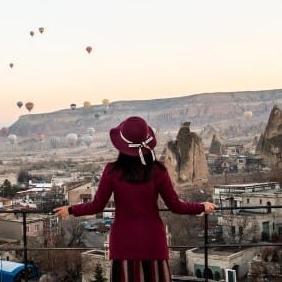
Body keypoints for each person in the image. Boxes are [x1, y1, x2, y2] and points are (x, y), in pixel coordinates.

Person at [54, 116, 216, 282]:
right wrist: (201, 207)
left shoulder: (112, 171)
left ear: (121, 145)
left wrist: (71, 210)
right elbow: (176, 206)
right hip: (153, 243)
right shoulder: (158, 170)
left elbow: (97, 205)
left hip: (124, 244)